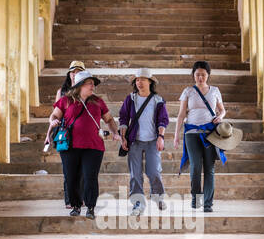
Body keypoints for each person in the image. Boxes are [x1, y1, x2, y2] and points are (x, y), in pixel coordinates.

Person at [47, 69, 118, 218]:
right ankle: (76, 206)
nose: (93, 86)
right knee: (71, 176)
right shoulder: (66, 100)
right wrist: (53, 121)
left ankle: (90, 207)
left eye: (93, 84)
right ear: (80, 85)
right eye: (89, 83)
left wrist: (115, 132)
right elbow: (54, 114)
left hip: (94, 146)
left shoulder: (98, 101)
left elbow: (109, 119)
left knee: (90, 177)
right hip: (70, 146)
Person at [173, 59, 227, 211]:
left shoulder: (215, 90)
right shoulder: (188, 91)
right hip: (191, 133)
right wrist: (176, 135)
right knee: (195, 166)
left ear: (208, 75)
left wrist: (220, 116)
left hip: (210, 133)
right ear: (193, 75)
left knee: (209, 168)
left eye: (203, 75)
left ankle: (208, 204)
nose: (200, 78)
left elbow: (222, 110)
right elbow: (181, 114)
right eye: (197, 75)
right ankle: (196, 200)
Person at [117, 68, 169, 216]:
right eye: (137, 80)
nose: (139, 82)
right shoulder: (131, 98)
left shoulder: (157, 99)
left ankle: (158, 197)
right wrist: (123, 137)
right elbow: (123, 117)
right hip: (135, 141)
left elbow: (163, 120)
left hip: (152, 140)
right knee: (135, 174)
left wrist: (161, 137)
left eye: (143, 79)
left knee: (154, 171)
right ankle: (138, 203)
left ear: (150, 82)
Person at [55, 60, 86, 210]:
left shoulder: (86, 91)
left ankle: (80, 198)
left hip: (83, 135)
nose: (75, 75)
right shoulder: (61, 92)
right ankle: (69, 199)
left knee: (82, 169)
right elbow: (56, 114)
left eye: (79, 72)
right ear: (69, 74)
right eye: (73, 72)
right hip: (66, 135)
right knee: (68, 169)